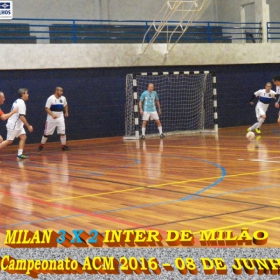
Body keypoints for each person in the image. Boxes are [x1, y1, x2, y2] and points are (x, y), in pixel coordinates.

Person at [0, 88, 33, 159]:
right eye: (26, 93)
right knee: (9, 141)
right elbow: (22, 117)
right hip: (13, 124)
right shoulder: (21, 103)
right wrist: (28, 126)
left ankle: (19, 154)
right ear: (23, 94)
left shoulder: (18, 101)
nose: (28, 95)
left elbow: (3, 116)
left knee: (23, 137)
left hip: (18, 125)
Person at [38, 87, 69, 151]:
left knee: (63, 132)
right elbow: (46, 108)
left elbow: (65, 105)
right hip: (51, 119)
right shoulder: (50, 98)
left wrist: (66, 112)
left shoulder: (63, 98)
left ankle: (63, 146)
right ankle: (41, 145)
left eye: (62, 91)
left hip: (60, 118)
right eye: (60, 91)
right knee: (46, 133)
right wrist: (52, 115)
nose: (61, 92)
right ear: (56, 91)